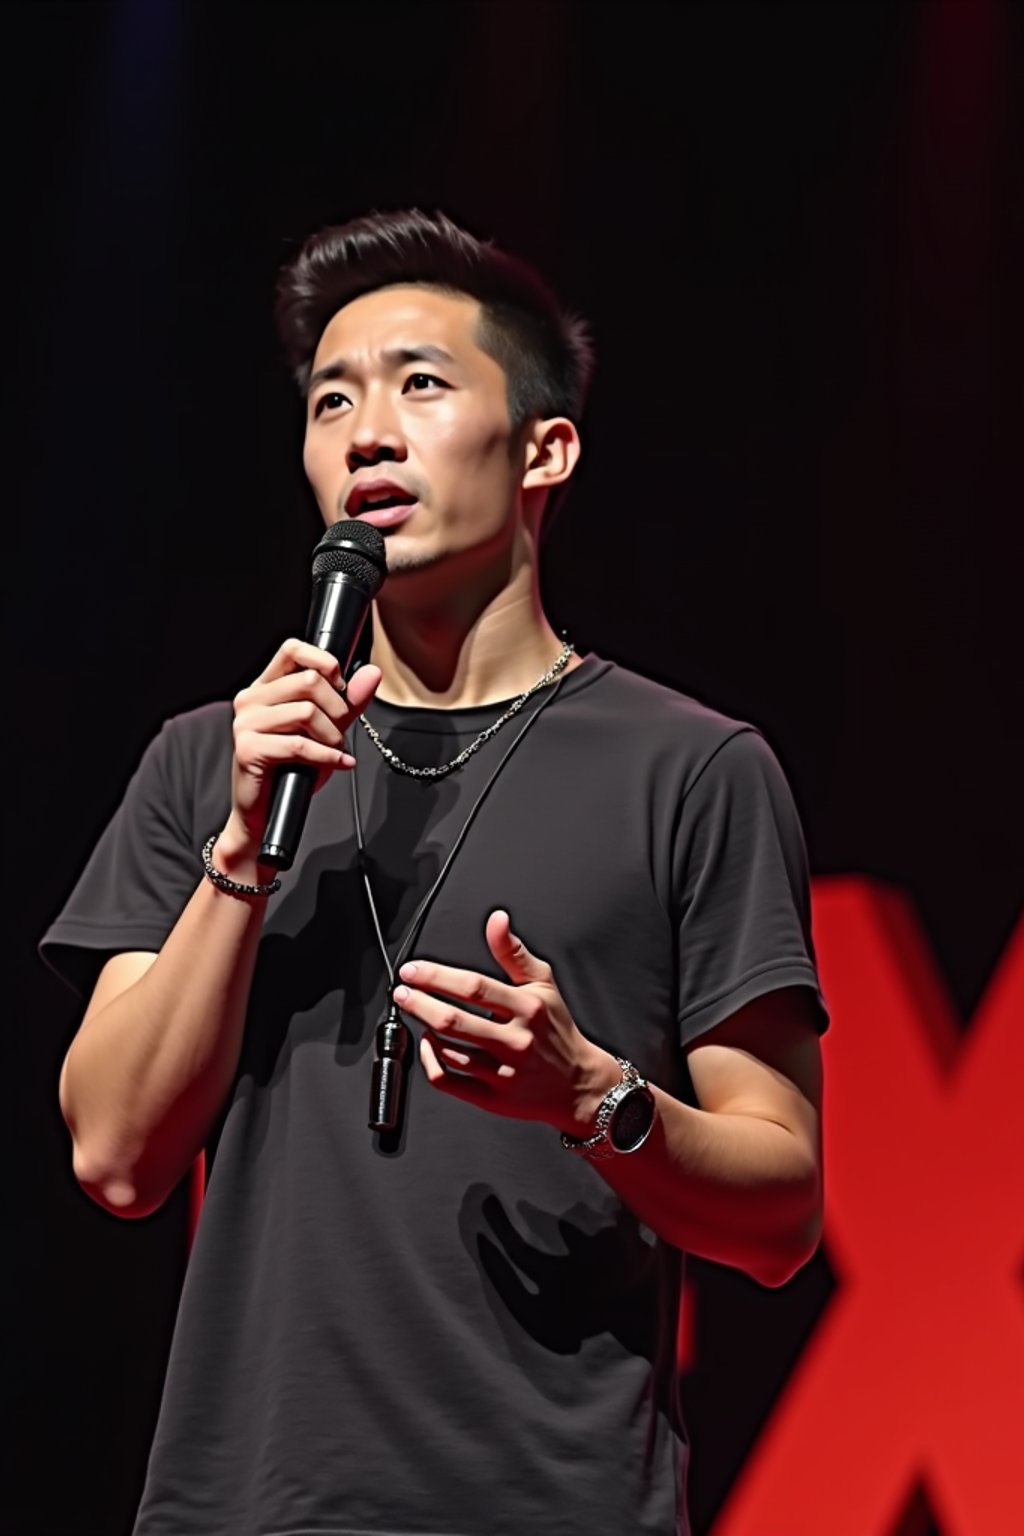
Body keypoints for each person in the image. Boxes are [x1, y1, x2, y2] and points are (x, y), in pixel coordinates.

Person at [44, 209, 829, 1536]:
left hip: (551, 1503)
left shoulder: (691, 770)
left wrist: (595, 1097)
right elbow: (117, 1155)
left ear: (546, 449)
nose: (365, 433)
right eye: (330, 400)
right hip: (241, 1505)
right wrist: (241, 855)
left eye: (420, 383)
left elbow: (780, 1211)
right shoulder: (214, 761)